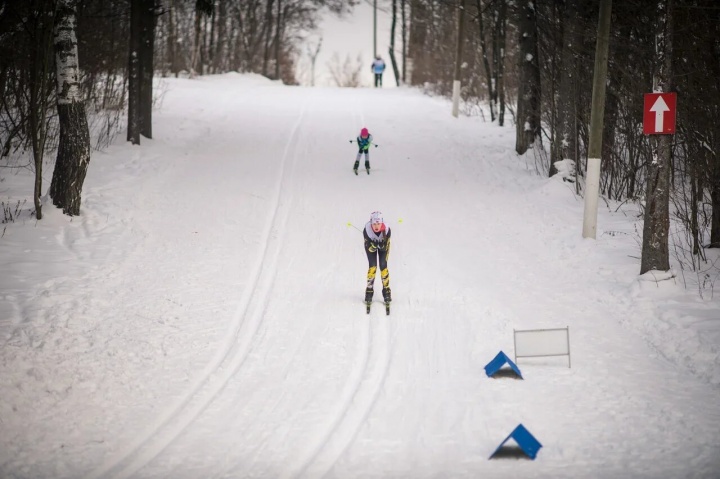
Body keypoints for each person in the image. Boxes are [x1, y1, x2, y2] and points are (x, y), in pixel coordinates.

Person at [363, 211, 391, 304]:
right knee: (373, 266)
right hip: (372, 246)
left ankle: (386, 289)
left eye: (378, 223)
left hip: (383, 246)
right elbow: (369, 248)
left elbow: (386, 246)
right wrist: (372, 246)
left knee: (383, 265)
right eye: (374, 223)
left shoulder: (386, 229)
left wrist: (383, 246)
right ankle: (369, 290)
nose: (376, 226)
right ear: (371, 222)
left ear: (382, 222)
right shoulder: (367, 229)